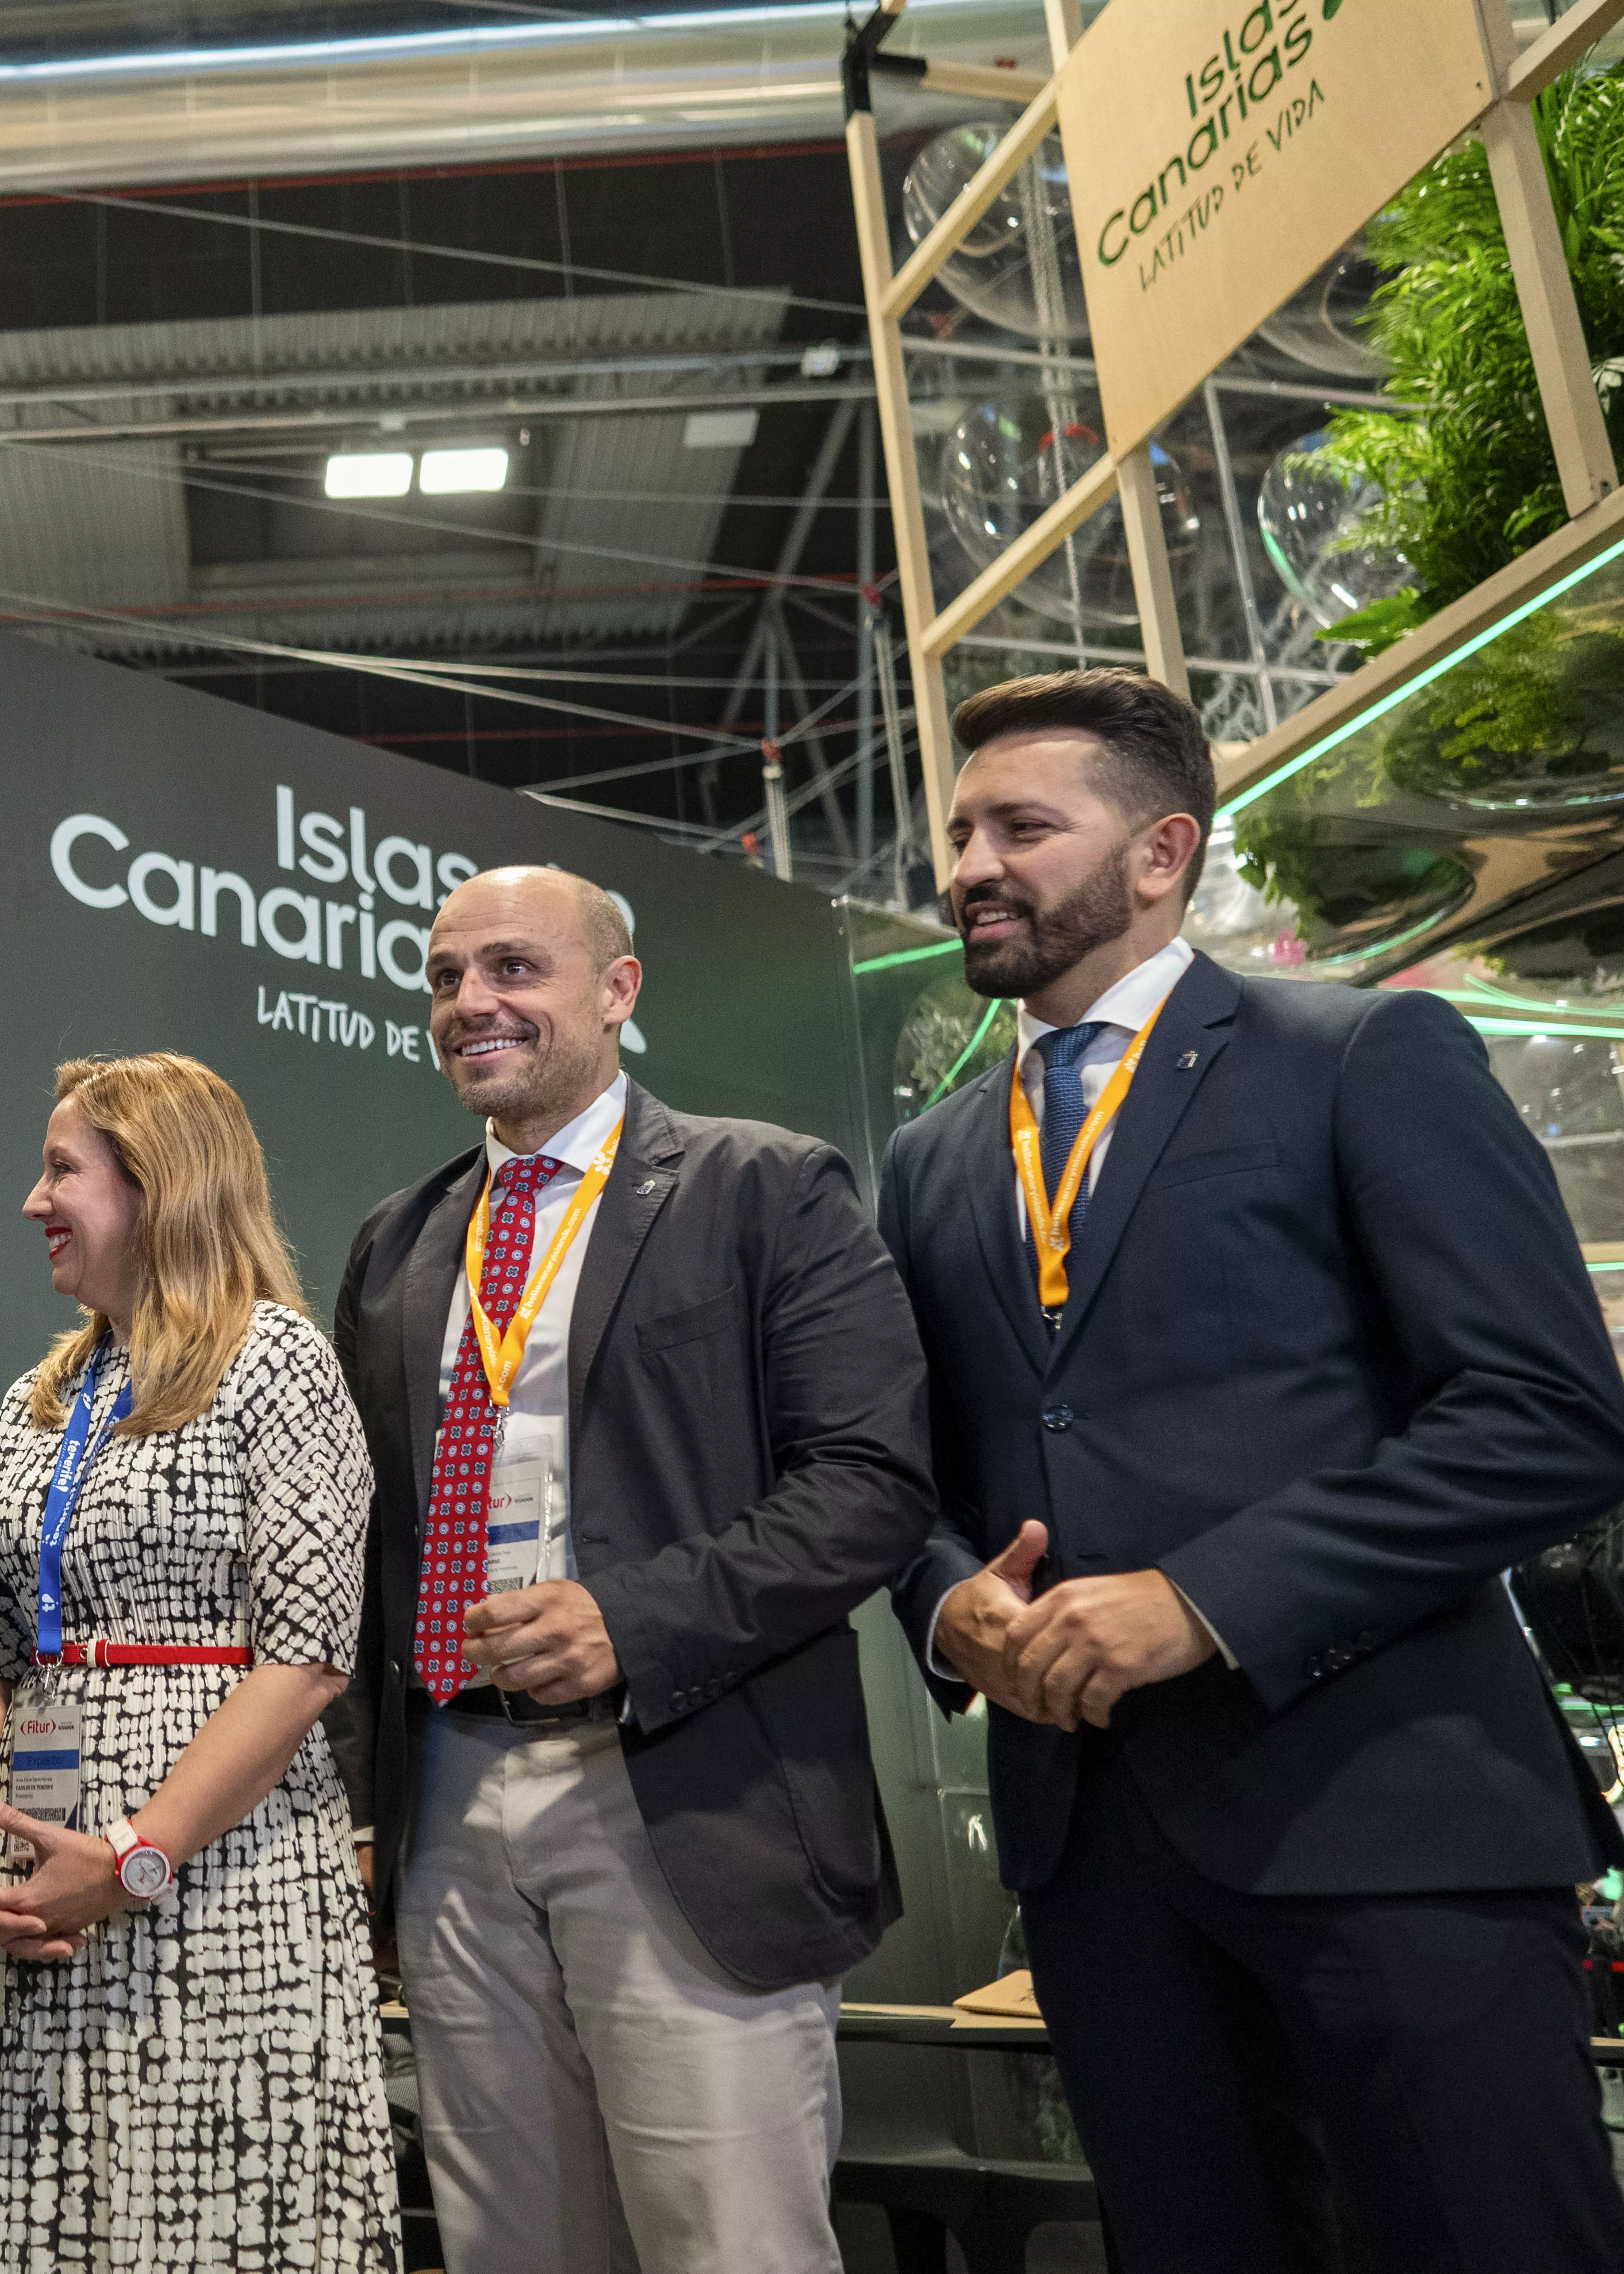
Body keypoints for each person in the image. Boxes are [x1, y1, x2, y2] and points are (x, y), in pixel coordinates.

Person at [881, 668, 1624, 2273]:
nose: (968, 866)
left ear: (1158, 855)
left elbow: (1548, 1414)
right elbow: (898, 1475)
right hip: (1092, 1858)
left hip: (1390, 1821)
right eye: (955, 831)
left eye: (1020, 825)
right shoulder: (929, 1159)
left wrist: (1204, 1598)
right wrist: (953, 1614)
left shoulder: (1359, 1054)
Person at [324, 864, 934, 2274]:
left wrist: (631, 1620)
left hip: (682, 1785)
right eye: (444, 975)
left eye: (514, 970)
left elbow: (872, 1486)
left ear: (618, 991)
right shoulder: (401, 1240)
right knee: (511, 2250)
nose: (471, 1000)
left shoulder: (763, 1188)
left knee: (732, 2249)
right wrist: (364, 1800)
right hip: (450, 1811)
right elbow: (369, 1547)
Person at [0, 1052, 400, 2271]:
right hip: (23, 1890)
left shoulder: (275, 1361)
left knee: (211, 2221)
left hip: (221, 1889)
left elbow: (312, 1657)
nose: (32, 1199)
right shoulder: (38, 1396)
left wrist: (132, 1856)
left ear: (157, 1185)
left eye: (61, 1169)